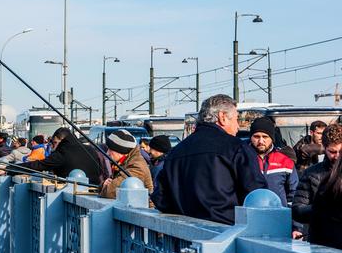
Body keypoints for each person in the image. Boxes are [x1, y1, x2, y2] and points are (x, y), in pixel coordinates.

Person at [151, 94, 267, 225]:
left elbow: (161, 198)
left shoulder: (176, 152)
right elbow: (257, 196)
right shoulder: (236, 148)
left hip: (184, 235)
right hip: (226, 235)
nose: (238, 127)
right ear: (223, 117)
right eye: (236, 119)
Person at [0, 127, 101, 185]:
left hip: (74, 199)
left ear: (62, 141)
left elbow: (39, 165)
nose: (52, 146)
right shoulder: (90, 149)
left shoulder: (63, 153)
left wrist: (9, 169)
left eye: (54, 143)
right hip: (94, 192)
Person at [292, 123, 342, 240]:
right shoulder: (311, 173)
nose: (338, 156)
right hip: (321, 240)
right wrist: (322, 209)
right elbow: (297, 210)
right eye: (333, 152)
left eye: (341, 151)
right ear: (324, 148)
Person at [248, 117, 298, 207]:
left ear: (272, 138)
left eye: (265, 137)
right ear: (251, 137)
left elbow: (294, 191)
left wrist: (289, 211)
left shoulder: (285, 161)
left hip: (278, 215)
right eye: (256, 137)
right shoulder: (241, 159)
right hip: (250, 214)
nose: (261, 141)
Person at [99, 129, 153, 200]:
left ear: (121, 150)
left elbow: (110, 192)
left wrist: (106, 187)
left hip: (143, 209)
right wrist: (104, 184)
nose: (107, 153)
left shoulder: (136, 166)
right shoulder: (126, 162)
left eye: (110, 149)